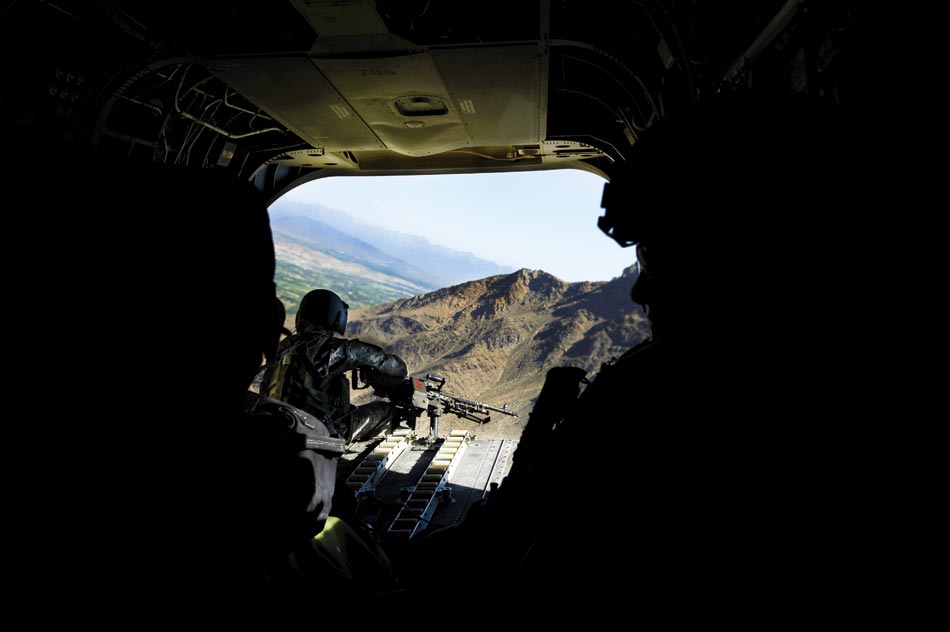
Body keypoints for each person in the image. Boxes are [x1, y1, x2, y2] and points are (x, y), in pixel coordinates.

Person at [259, 288, 409, 445]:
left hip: (276, 426)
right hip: (318, 435)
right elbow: (394, 366)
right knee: (387, 411)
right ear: (336, 317)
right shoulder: (335, 349)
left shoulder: (283, 346)